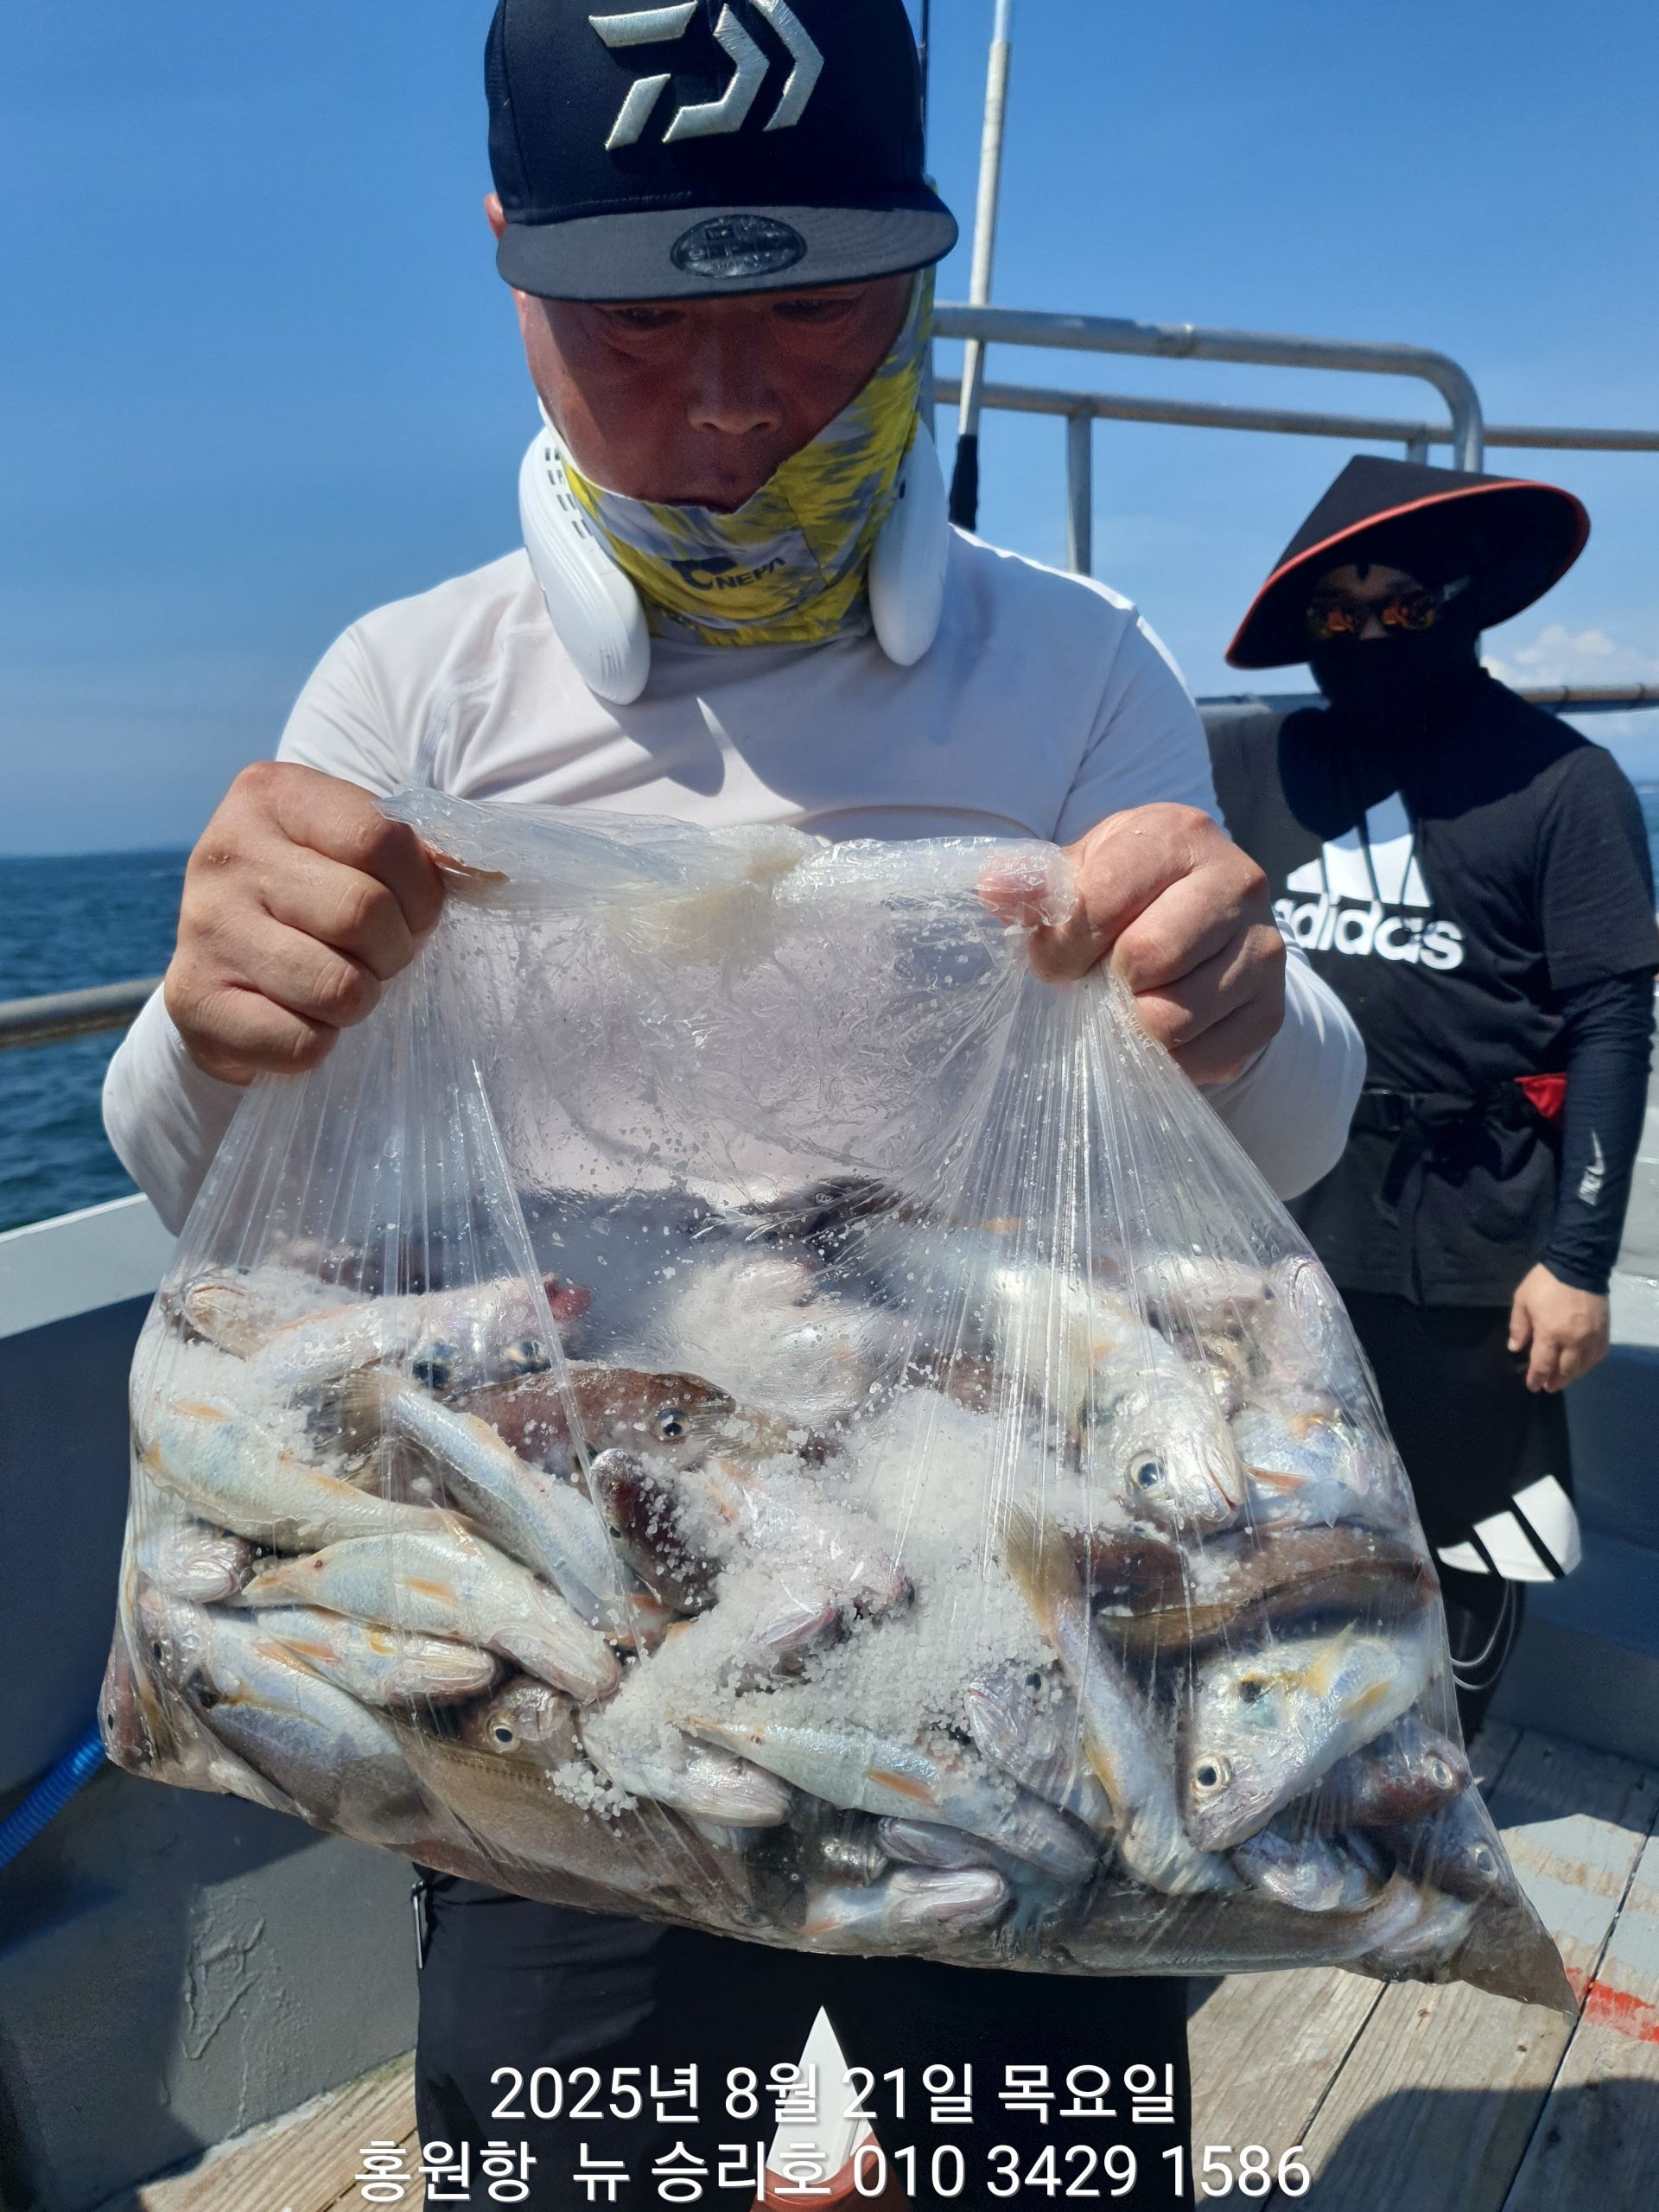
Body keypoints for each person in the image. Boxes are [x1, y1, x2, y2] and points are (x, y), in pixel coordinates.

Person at [105, 3, 1365, 2202]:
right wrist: (206, 1027)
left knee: (1038, 2162)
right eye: (632, 325)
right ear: (507, 267)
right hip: (570, 1636)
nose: (724, 404)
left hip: (996, 1601)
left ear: (923, 269)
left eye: (809, 309)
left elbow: (1252, 1168)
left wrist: (1254, 1009)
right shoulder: (412, 690)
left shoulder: (1079, 669)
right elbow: (220, 1205)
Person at [1209, 454, 1658, 1742]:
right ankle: (1303, 1775)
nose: (1366, 635)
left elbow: (1611, 1023)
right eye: (1335, 612)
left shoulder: (1561, 783)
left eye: (1401, 606)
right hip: (1274, 1213)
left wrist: (1578, 1260)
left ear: (1460, 607)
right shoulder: (1252, 761)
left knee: (1461, 1531)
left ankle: (1439, 1788)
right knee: (1273, 1511)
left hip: (1468, 1231)